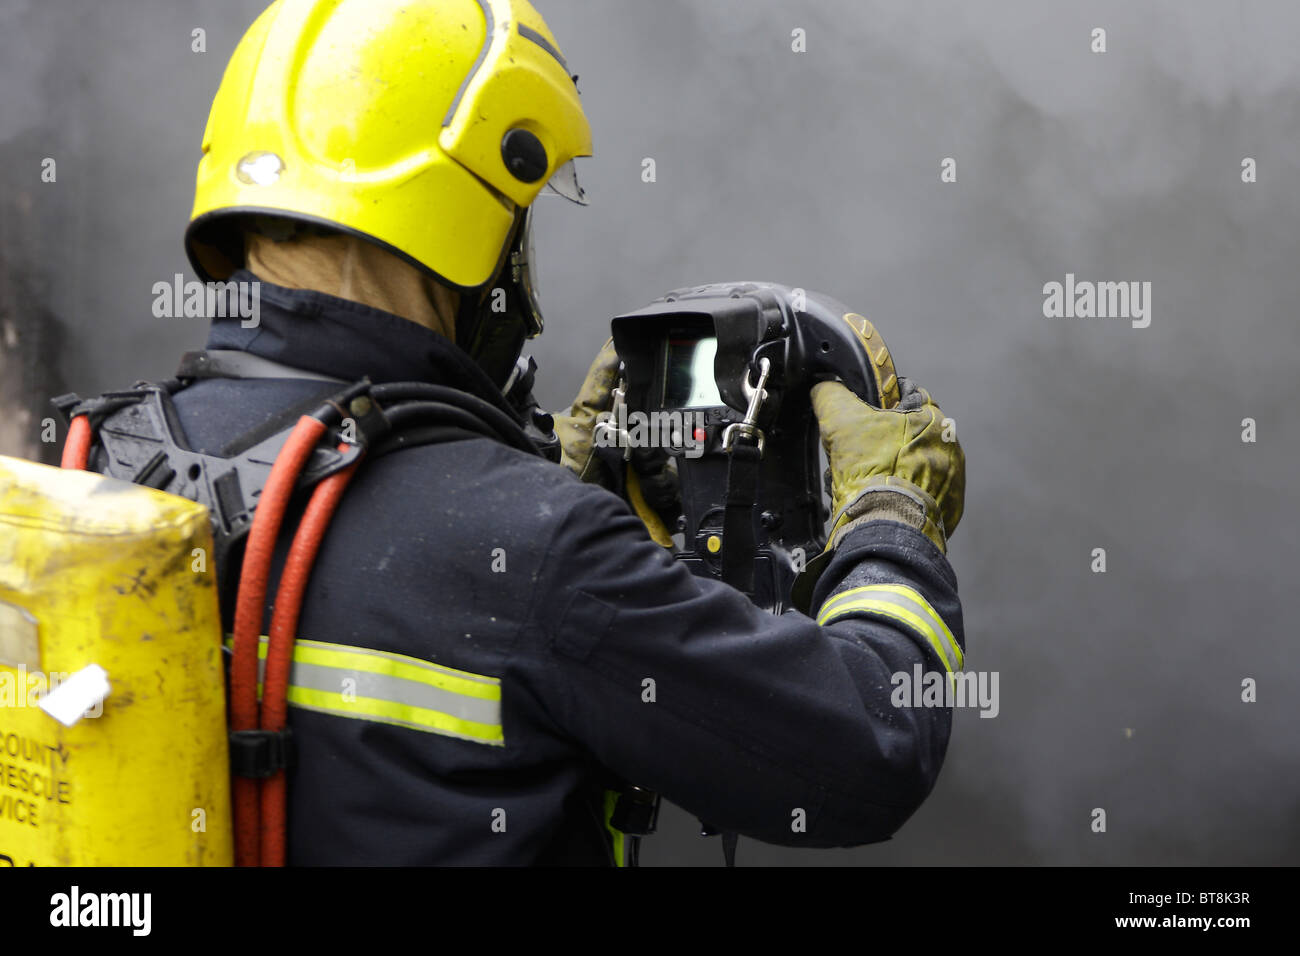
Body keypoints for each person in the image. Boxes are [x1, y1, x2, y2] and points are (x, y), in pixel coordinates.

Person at [87, 0, 968, 865]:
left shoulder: (96, 467)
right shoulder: (539, 553)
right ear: (464, 210)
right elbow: (871, 747)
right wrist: (893, 515)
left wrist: (557, 520)